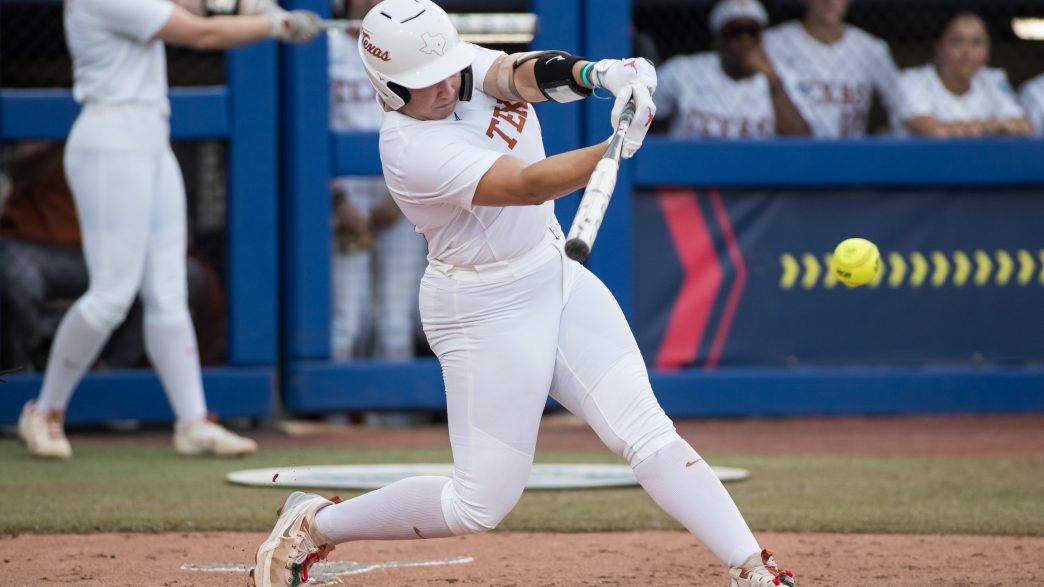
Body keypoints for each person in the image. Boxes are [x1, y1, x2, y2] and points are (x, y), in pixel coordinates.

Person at [250, 2, 796, 587]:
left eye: (446, 71)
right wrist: (615, 147)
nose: (442, 87)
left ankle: (752, 570)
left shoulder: (454, 69)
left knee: (646, 430)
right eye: (422, 83)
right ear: (386, 86)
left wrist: (600, 75)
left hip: (551, 270)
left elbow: (519, 76)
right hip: (483, 308)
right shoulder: (409, 149)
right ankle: (316, 523)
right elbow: (524, 184)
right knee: (477, 506)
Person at [16, 0, 323, 460]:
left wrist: (236, 5)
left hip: (150, 138)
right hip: (110, 140)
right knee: (111, 294)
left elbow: (193, 6)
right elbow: (200, 34)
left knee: (169, 288)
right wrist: (272, 24)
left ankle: (193, 422)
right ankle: (45, 410)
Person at [0, 141, 213, 373]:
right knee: (14, 273)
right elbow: (17, 165)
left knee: (186, 275)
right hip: (43, 244)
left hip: (117, 249)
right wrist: (62, 143)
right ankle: (21, 378)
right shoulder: (55, 116)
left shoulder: (140, 123)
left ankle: (105, 376)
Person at [328, 0, 427, 361]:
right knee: (346, 319)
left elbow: (431, 126)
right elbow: (307, 131)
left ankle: (395, 418)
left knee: (395, 318)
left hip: (400, 191)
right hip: (344, 194)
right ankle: (333, 417)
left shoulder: (412, 53)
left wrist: (401, 197)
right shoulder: (328, 48)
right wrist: (337, 201)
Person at [654, 0, 809, 138]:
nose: (745, 40)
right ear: (718, 40)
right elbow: (640, 117)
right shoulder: (683, 71)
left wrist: (773, 82)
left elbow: (802, 141)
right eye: (735, 32)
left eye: (752, 31)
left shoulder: (783, 78)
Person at [762, 0, 907, 137]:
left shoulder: (871, 48)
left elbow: (899, 103)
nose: (830, 1)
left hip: (851, 151)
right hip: (792, 151)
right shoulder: (773, 43)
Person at [893, 13, 1032, 138]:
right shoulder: (912, 80)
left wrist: (959, 128)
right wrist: (992, 126)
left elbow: (1024, 127)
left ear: (988, 49)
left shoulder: (994, 79)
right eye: (957, 42)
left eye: (976, 43)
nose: (967, 51)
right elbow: (935, 132)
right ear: (939, 47)